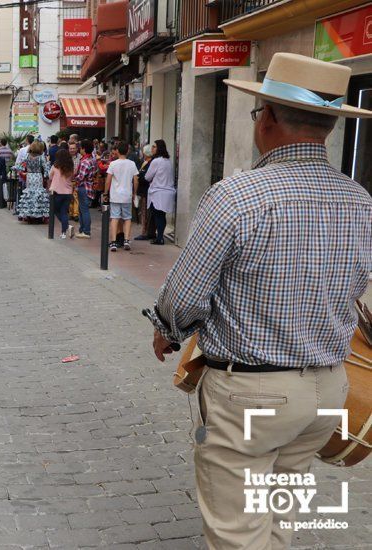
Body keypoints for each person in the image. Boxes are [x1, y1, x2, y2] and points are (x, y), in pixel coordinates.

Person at [146, 53, 372, 550]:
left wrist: (167, 328)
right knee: (275, 520)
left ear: (267, 117)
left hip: (254, 396)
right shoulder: (360, 199)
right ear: (330, 127)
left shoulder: (237, 196)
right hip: (329, 392)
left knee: (236, 535)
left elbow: (184, 297)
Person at [104, 142, 138, 251]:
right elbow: (136, 180)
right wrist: (134, 193)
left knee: (115, 218)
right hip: (127, 195)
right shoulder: (132, 164)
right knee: (127, 218)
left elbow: (108, 180)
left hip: (115, 195)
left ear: (117, 151)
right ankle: (126, 240)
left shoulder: (113, 164)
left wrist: (105, 193)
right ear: (127, 151)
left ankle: (114, 242)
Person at [143, 140, 176, 245]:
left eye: (154, 146)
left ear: (159, 148)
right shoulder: (168, 161)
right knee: (162, 215)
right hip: (167, 192)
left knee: (157, 215)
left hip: (158, 192)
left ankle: (160, 238)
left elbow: (147, 177)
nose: (152, 149)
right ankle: (159, 236)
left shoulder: (156, 161)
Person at [16, 141, 50, 223]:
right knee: (38, 195)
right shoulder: (41, 157)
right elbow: (46, 169)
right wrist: (46, 176)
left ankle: (28, 215)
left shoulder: (27, 156)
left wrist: (22, 171)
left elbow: (19, 166)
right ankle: (39, 215)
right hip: (38, 176)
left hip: (30, 176)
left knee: (29, 194)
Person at [48, 147, 75, 239]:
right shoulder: (70, 167)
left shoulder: (55, 166)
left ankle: (67, 227)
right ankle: (64, 232)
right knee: (64, 212)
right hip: (68, 193)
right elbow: (72, 178)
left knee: (54, 210)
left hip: (56, 192)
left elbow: (50, 177)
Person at [72, 139, 97, 239]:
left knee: (84, 210)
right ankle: (82, 230)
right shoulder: (92, 160)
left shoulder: (85, 162)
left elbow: (81, 177)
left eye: (80, 147)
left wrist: (73, 179)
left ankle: (86, 231)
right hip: (89, 187)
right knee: (82, 210)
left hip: (84, 187)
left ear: (83, 149)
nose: (79, 150)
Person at [134, 144, 155, 241]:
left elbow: (146, 177)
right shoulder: (145, 162)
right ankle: (145, 231)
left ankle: (145, 232)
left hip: (146, 191)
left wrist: (139, 176)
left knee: (145, 212)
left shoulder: (150, 163)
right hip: (143, 191)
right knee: (143, 212)